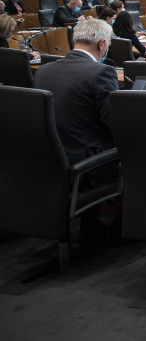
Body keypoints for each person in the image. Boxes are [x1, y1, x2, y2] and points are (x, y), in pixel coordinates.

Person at [34, 19, 119, 242]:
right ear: (102, 44)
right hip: (85, 164)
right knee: (141, 153)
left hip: (49, 159)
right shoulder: (101, 72)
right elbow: (114, 122)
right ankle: (124, 226)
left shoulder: (43, 71)